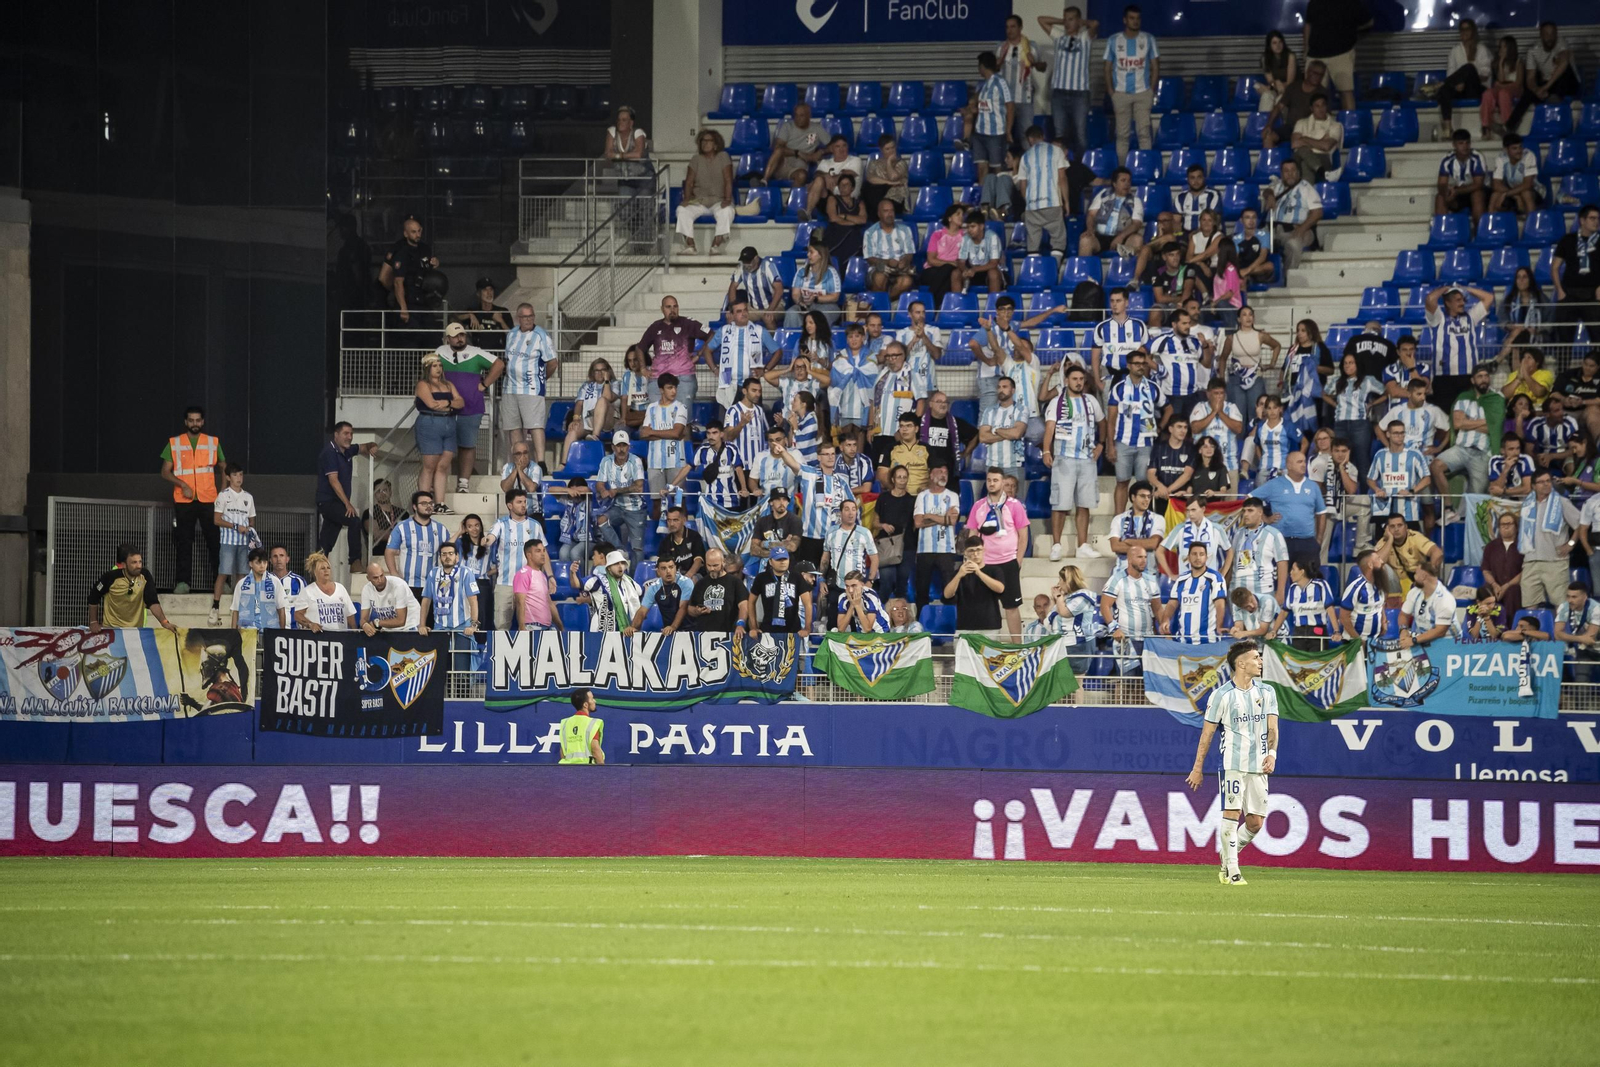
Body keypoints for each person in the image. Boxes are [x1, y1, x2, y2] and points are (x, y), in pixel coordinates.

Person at [1186, 639, 1278, 887]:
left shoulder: (1267, 692)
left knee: (1255, 823)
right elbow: (1207, 734)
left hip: (1259, 765)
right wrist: (1197, 768)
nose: (1260, 661)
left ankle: (1227, 853)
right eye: (1256, 657)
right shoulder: (1221, 695)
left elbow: (1273, 728)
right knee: (1232, 813)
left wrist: (1272, 753)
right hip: (1232, 764)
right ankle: (1232, 871)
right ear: (1241, 664)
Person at [1043, 364, 1106, 560]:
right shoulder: (1057, 402)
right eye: (1074, 379)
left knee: (1084, 504)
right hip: (1064, 459)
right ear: (1066, 380)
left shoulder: (1091, 401)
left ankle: (1082, 546)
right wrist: (1046, 450)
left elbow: (1102, 422)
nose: (1078, 382)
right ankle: (1056, 546)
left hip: (1087, 459)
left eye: (1081, 379)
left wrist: (1101, 444)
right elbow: (1050, 428)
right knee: (1060, 504)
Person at [159, 405, 223, 596]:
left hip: (208, 500)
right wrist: (182, 484)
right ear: (186, 422)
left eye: (198, 420)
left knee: (215, 542)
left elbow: (224, 467)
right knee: (184, 542)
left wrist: (223, 492)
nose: (195, 423)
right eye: (191, 420)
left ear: (202, 422)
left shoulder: (212, 442)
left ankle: (221, 583)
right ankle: (182, 582)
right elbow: (165, 472)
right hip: (183, 501)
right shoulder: (175, 443)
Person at [435, 322, 502, 496]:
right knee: (442, 445)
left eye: (462, 335)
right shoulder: (440, 352)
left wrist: (484, 384)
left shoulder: (476, 352)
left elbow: (499, 364)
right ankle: (439, 481)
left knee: (467, 445)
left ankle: (463, 483)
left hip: (471, 407)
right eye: (455, 336)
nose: (460, 338)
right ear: (448, 338)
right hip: (446, 408)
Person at [965, 467, 1030, 639]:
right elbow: (972, 535)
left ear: (1002, 482)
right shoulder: (978, 506)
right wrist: (972, 560)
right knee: (983, 605)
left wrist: (1018, 561)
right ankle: (985, 645)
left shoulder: (1014, 505)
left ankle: (1017, 646)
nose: (992, 484)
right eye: (989, 480)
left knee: (1011, 606)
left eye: (995, 480)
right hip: (985, 563)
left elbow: (1023, 536)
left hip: (1008, 562)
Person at [498, 303, 559, 460]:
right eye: (525, 316)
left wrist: (541, 379)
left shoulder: (541, 335)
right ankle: (519, 462)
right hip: (510, 388)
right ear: (518, 318)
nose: (528, 319)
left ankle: (541, 462)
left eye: (531, 316)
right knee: (513, 427)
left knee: (535, 425)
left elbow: (553, 362)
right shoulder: (512, 334)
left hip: (531, 389)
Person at [1104, 349, 1159, 514]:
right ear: (1128, 366)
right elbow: (1111, 419)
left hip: (1146, 443)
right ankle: (1118, 519)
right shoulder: (1118, 388)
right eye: (1137, 363)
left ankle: (1142, 518)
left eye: (1143, 363)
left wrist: (1160, 427)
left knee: (1144, 483)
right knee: (1122, 482)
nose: (1141, 366)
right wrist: (1110, 445)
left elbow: (1168, 408)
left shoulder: (1153, 387)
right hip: (1123, 441)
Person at [1040, 5, 1098, 158]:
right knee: (1060, 134)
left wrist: (1080, 23)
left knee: (1080, 133)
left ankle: (1079, 166)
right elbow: (1041, 20)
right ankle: (1061, 165)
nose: (1067, 23)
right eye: (1066, 19)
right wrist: (1062, 21)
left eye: (1071, 19)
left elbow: (1095, 24)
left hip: (1080, 93)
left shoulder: (1085, 37)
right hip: (1059, 92)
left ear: (1078, 20)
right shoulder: (1059, 36)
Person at [1518, 469, 1582, 608]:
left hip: (1555, 561)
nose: (1546, 484)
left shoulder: (1561, 502)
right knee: (1530, 605)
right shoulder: (1527, 505)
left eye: (1548, 481)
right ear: (1534, 486)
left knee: (1561, 605)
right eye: (1541, 482)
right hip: (1530, 561)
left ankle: (1561, 624)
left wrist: (1571, 544)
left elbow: (1580, 524)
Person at [1506, 21, 1584, 134]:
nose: (1550, 37)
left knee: (1565, 70)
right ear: (1541, 35)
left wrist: (1546, 87)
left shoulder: (1562, 43)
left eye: (1552, 34)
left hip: (1568, 85)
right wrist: (1536, 90)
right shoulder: (1533, 51)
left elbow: (1564, 63)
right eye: (1546, 34)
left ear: (1556, 34)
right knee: (1528, 94)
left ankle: (1556, 97)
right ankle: (1509, 126)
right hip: (1549, 86)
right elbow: (1530, 79)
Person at [1102, 4, 1158, 161]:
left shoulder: (1148, 39)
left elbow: (1155, 66)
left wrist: (1151, 90)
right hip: (1120, 93)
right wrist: (1111, 92)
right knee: (1122, 135)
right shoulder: (1114, 40)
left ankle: (1145, 166)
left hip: (1143, 93)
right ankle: (1122, 169)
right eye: (1132, 18)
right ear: (1125, 20)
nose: (1135, 21)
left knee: (1144, 132)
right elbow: (1107, 68)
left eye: (1138, 18)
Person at [1425, 282, 1494, 404]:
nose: (1462, 303)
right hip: (1444, 377)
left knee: (1467, 411)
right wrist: (1445, 288)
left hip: (1468, 376)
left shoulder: (1470, 317)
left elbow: (1489, 297)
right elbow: (1430, 299)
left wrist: (1465, 288)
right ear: (1448, 303)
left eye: (1463, 299)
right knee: (1444, 413)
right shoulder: (1438, 318)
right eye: (1458, 300)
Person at [711, 294, 782, 409]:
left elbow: (778, 352)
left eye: (745, 310)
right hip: (728, 384)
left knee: (754, 418)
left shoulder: (759, 331)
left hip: (751, 386)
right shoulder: (724, 331)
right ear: (732, 315)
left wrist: (765, 370)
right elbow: (707, 350)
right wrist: (714, 369)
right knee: (728, 419)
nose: (743, 313)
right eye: (739, 311)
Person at [87, 543, 178, 632]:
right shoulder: (111, 577)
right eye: (134, 562)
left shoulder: (145, 576)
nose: (139, 566)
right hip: (113, 630)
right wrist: (93, 622)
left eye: (140, 562)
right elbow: (93, 597)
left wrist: (164, 622)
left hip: (135, 631)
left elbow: (152, 601)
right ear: (124, 565)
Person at [1100, 544, 1162, 674]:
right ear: (1129, 559)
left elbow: (1157, 609)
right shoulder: (1117, 579)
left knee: (1147, 680)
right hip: (1125, 639)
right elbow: (1105, 606)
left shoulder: (1151, 581)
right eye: (1139, 557)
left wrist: (1164, 626)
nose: (1144, 560)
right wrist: (1114, 628)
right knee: (1127, 680)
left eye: (1145, 557)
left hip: (1148, 639)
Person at [1424, 18, 1492, 134]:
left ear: (1473, 31)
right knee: (1444, 90)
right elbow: (1451, 73)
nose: (1464, 32)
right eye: (1462, 29)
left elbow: (1485, 75)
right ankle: (1448, 128)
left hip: (1476, 89)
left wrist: (1464, 80)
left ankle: (1440, 84)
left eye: (1467, 29)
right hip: (1460, 89)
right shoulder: (1455, 51)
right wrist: (1456, 84)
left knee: (1469, 67)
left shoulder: (1481, 49)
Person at [208, 464, 255, 625]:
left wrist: (249, 530)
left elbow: (251, 520)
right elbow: (216, 520)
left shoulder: (248, 497)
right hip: (228, 541)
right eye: (235, 475)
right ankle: (215, 607)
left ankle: (239, 607)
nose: (239, 478)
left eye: (241, 475)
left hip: (244, 542)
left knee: (242, 574)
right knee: (224, 572)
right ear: (228, 477)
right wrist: (236, 526)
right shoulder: (223, 496)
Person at [676, 129, 734, 255]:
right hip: (699, 201)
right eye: (703, 141)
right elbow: (689, 182)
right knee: (681, 210)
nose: (705, 143)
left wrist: (728, 199)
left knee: (727, 211)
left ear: (716, 144)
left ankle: (716, 246)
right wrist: (687, 199)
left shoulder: (723, 156)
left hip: (719, 200)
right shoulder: (696, 159)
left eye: (709, 141)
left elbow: (728, 180)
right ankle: (690, 246)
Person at [1224, 497, 1289, 606]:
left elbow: (1282, 563)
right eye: (1244, 511)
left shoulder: (1273, 534)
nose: (1246, 514)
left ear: (1260, 512)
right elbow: (1232, 562)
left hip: (1263, 591)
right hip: (1237, 592)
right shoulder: (1238, 534)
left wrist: (1280, 591)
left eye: (1250, 511)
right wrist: (1225, 586)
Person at [1302, 0, 1365, 110]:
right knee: (1312, 93)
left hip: (1342, 53)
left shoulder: (1351, 2)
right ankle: (1314, 122)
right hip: (1316, 54)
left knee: (1345, 91)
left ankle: (1349, 120)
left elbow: (1368, 22)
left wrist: (1350, 31)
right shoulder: (1314, 2)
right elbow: (1308, 25)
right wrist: (1306, 48)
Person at [963, 51, 1015, 187]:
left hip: (996, 134)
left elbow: (1010, 106)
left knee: (998, 169)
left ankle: (999, 197)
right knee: (981, 169)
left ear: (982, 66)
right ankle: (983, 197)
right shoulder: (984, 85)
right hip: (980, 133)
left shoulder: (1001, 82)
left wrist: (1008, 131)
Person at [1552, 204, 1600, 351]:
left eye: (1598, 219)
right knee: (1564, 338)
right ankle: (1563, 366)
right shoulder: (1568, 240)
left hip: (1593, 294)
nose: (1596, 222)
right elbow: (1555, 267)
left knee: (1597, 337)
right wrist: (1560, 290)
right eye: (1592, 218)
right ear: (1582, 220)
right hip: (1569, 293)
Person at [1015, 126, 1069, 255]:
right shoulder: (1056, 151)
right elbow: (1062, 178)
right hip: (1052, 203)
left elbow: (1023, 185)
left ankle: (1034, 266)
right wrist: (1066, 201)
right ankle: (1054, 266)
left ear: (1029, 139)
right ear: (1043, 136)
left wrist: (1028, 201)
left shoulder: (1025, 156)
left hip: (1032, 206)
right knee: (1058, 241)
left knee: (1033, 244)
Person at [1260, 158, 1322, 270]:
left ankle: (1288, 276)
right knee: (1252, 243)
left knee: (1293, 245)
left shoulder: (1306, 187)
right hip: (1271, 230)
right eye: (1286, 171)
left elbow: (1317, 212)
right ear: (1282, 174)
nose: (1290, 174)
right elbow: (1266, 191)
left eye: (1293, 170)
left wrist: (1302, 229)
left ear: (1298, 172)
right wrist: (1269, 196)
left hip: (1296, 229)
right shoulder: (1277, 185)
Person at [595, 431, 647, 566]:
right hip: (617, 507)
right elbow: (599, 483)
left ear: (628, 447)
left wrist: (616, 490)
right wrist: (603, 490)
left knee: (637, 549)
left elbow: (639, 487)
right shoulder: (606, 461)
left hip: (636, 509)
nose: (621, 449)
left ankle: (635, 577)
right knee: (601, 520)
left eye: (624, 445)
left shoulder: (635, 461)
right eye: (618, 446)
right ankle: (620, 549)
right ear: (613, 447)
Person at [379, 215, 440, 327]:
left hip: (424, 299)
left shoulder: (425, 248)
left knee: (431, 331)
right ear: (406, 233)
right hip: (408, 300)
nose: (418, 235)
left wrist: (435, 263)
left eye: (419, 231)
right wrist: (403, 306)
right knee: (410, 332)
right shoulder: (401, 251)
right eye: (413, 232)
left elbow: (429, 268)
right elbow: (393, 281)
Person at [1163, 542, 1227, 642]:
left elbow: (1220, 605)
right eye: (1194, 554)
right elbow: (1172, 604)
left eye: (1201, 554)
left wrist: (1219, 625)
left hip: (1208, 640)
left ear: (1206, 557)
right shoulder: (1181, 579)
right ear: (1188, 557)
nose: (1198, 557)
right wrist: (1166, 619)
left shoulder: (1215, 578)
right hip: (1183, 641)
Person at [1263, 58, 1328, 150]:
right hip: (1290, 128)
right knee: (1268, 137)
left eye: (1321, 75)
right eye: (1315, 73)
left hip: (1310, 130)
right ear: (1308, 72)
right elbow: (1279, 107)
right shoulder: (1293, 87)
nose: (1318, 77)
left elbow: (1326, 116)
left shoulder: (1323, 93)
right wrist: (1269, 124)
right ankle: (1271, 159)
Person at [946, 533, 1006, 633]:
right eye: (971, 551)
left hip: (989, 625)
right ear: (965, 553)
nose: (975, 554)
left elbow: (1000, 588)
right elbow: (947, 595)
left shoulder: (994, 570)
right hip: (964, 625)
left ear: (984, 550)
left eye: (978, 550)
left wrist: (978, 572)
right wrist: (959, 575)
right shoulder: (959, 573)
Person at [747, 547, 813, 637]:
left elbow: (808, 603)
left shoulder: (796, 577)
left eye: (785, 559)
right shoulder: (762, 578)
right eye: (778, 559)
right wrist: (754, 627)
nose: (782, 562)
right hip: (768, 629)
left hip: (793, 631)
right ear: (770, 562)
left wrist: (807, 628)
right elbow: (751, 602)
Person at [1080, 167, 1144, 260]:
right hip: (1100, 237)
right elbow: (1091, 215)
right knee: (1085, 240)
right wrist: (1090, 230)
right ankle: (1085, 269)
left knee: (1137, 239)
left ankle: (1128, 268)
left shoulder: (1136, 201)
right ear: (1114, 183)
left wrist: (1121, 237)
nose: (1127, 184)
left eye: (1129, 181)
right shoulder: (1103, 195)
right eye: (1123, 180)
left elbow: (1136, 224)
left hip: (1123, 237)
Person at [1160, 497, 1229, 577]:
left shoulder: (1215, 528)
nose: (1190, 514)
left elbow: (1230, 551)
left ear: (1203, 509)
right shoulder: (1180, 528)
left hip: (1209, 579)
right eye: (1188, 510)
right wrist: (1170, 575)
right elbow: (1159, 551)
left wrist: (1223, 574)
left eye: (1193, 510)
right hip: (1186, 579)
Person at [1375, 512, 1444, 593]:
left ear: (1406, 527)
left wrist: (1429, 572)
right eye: (1392, 526)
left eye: (1400, 525)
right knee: (1383, 567)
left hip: (1417, 580)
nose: (1396, 529)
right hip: (1396, 584)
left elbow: (1437, 552)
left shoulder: (1414, 536)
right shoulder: (1384, 542)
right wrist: (1390, 540)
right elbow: (1376, 563)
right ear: (1387, 529)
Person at [1435, 129, 1488, 232]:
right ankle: (1441, 232)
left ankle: (1480, 233)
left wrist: (1457, 191)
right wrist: (1447, 194)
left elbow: (1478, 184)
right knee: (1440, 197)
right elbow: (1441, 184)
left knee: (1477, 194)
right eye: (1461, 143)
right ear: (1454, 145)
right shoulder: (1447, 159)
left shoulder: (1477, 157)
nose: (1465, 146)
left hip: (1479, 192)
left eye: (1467, 143)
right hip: (1458, 193)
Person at [761, 101, 824, 188]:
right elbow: (778, 147)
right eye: (796, 115)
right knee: (778, 151)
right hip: (782, 165)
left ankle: (792, 196)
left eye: (801, 115)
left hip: (798, 168)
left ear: (809, 116)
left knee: (802, 176)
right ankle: (764, 181)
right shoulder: (787, 127)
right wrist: (797, 153)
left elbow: (832, 145)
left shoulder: (817, 129)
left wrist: (820, 152)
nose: (798, 118)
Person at [863, 198, 917, 299]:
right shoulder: (870, 233)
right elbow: (870, 258)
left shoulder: (905, 230)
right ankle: (883, 303)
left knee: (907, 281)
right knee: (880, 277)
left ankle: (885, 302)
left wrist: (905, 261)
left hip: (899, 270)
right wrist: (887, 262)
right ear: (879, 214)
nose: (890, 214)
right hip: (879, 268)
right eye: (886, 211)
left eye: (892, 211)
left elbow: (909, 253)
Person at [1397, 559, 1455, 649]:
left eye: (1416, 574)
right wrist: (1403, 630)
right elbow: (1403, 615)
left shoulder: (1445, 599)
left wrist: (1413, 640)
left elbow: (1440, 631)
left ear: (1423, 576)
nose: (1414, 577)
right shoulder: (1414, 592)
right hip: (1421, 641)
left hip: (1447, 644)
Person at [687, 547, 749, 632]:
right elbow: (690, 608)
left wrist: (740, 624)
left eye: (715, 565)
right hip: (704, 635)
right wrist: (697, 611)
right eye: (709, 565)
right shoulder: (701, 583)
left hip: (728, 633)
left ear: (723, 562)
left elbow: (744, 606)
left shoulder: (735, 582)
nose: (712, 569)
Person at [784, 241, 842, 330]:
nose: (808, 255)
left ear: (821, 255)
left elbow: (835, 296)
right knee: (791, 313)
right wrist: (800, 302)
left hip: (826, 306)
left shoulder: (831, 272)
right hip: (805, 305)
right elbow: (795, 294)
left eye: (811, 252)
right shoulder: (801, 271)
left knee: (818, 315)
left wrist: (816, 298)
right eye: (808, 252)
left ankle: (819, 338)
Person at [726, 248, 786, 333]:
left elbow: (779, 290)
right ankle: (737, 340)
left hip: (774, 305)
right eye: (744, 262)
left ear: (756, 259)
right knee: (734, 317)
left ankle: (772, 340)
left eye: (748, 261)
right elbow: (732, 287)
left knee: (768, 318)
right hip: (752, 308)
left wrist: (770, 310)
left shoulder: (767, 266)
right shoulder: (741, 268)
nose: (746, 265)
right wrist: (733, 308)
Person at [294, 552, 356, 633]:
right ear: (315, 572)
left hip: (340, 636)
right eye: (322, 568)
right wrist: (310, 624)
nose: (326, 570)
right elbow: (298, 615)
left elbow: (350, 614)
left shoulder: (341, 588)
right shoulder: (307, 591)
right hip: (318, 636)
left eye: (328, 568)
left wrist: (355, 633)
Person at [230, 547, 288, 631]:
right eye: (258, 563)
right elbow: (236, 611)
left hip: (270, 630)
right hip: (247, 631)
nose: (262, 566)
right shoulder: (241, 584)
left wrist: (282, 632)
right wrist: (233, 633)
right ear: (250, 564)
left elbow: (281, 609)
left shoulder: (275, 582)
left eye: (264, 562)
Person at [633, 557, 694, 635]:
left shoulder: (686, 583)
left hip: (690, 630)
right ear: (658, 572)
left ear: (676, 569)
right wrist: (633, 627)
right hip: (669, 631)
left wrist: (673, 627)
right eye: (663, 568)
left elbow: (683, 607)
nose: (668, 571)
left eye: (671, 567)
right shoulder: (654, 587)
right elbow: (642, 611)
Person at [1290, 92, 1342, 182]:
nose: (1320, 109)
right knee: (1302, 151)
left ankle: (1308, 188)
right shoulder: (1301, 123)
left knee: (1305, 162)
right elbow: (1294, 144)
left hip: (1323, 158)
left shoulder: (1335, 126)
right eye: (1317, 106)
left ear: (1326, 107)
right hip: (1299, 157)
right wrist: (1320, 142)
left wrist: (1304, 139)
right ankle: (1322, 172)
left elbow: (1326, 146)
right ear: (1311, 108)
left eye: (1323, 105)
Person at [1109, 481, 1163, 565]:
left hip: (1148, 570)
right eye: (1142, 496)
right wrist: (1144, 544)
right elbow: (1115, 546)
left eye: (1149, 497)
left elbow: (1153, 543)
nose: (1146, 500)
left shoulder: (1158, 519)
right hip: (1122, 569)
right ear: (1133, 497)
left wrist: (1128, 541)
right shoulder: (1118, 519)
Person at [1555, 583, 1600, 683]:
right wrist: (1581, 638)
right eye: (1568, 596)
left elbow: (1590, 639)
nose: (1570, 600)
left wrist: (1568, 637)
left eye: (1574, 597)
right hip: (1585, 650)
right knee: (1580, 682)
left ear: (1584, 597)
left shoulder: (1596, 608)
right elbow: (1557, 634)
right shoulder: (1564, 607)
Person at [1488, 134, 1541, 217]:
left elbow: (1527, 184)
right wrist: (1516, 196)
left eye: (1520, 147)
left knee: (1526, 193)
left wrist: (1507, 194)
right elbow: (1496, 185)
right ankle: (1491, 222)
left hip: (1533, 191)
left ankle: (1532, 222)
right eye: (1514, 148)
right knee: (1495, 195)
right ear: (1506, 149)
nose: (1519, 151)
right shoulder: (1501, 158)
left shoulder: (1529, 155)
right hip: (1512, 191)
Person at [359, 560, 418, 635]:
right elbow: (363, 619)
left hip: (409, 625)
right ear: (368, 578)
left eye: (381, 576)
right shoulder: (367, 589)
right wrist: (365, 625)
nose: (380, 580)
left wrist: (377, 622)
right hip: (387, 628)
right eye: (375, 578)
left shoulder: (399, 586)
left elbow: (401, 621)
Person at [1338, 549, 1387, 641]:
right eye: (1378, 559)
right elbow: (1343, 617)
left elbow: (1380, 605)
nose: (1382, 562)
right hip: (1354, 642)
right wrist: (1358, 640)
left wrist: (1383, 621)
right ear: (1370, 565)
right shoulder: (1356, 588)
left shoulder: (1380, 585)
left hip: (1374, 640)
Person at [1147, 415, 1195, 506]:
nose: (1183, 431)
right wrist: (1160, 486)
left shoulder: (1191, 449)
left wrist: (1167, 491)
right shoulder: (1158, 447)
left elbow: (1187, 475)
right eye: (1179, 427)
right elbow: (1151, 473)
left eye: (1185, 427)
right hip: (1160, 495)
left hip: (1181, 497)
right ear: (1171, 429)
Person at [863, 133, 911, 219]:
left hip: (895, 197)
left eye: (893, 147)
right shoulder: (874, 163)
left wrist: (889, 162)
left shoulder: (901, 163)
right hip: (877, 196)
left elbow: (893, 176)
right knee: (867, 187)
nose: (891, 151)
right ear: (881, 150)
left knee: (881, 204)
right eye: (887, 149)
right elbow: (870, 178)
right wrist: (889, 183)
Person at [559, 689, 605, 766]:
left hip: (566, 769)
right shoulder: (592, 723)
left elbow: (562, 751)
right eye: (592, 699)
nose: (595, 701)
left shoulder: (565, 723)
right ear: (585, 705)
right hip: (587, 769)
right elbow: (595, 750)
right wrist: (602, 770)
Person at [1255, 30, 1297, 115]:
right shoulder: (1265, 58)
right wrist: (1275, 84)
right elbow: (1270, 81)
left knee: (1280, 100)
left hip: (1290, 90)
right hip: (1276, 89)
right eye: (1274, 43)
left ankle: (1277, 122)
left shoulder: (1290, 56)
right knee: (1266, 96)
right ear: (1269, 45)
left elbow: (1290, 83)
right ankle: (1263, 121)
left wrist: (1278, 85)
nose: (1278, 45)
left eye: (1280, 42)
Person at [1489, 432, 1538, 499]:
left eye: (1518, 448)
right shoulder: (1495, 461)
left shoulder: (1526, 459)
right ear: (1502, 451)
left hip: (1523, 500)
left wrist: (1504, 491)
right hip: (1502, 501)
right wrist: (1506, 469)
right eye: (1511, 449)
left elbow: (1527, 489)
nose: (1515, 452)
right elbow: (1494, 490)